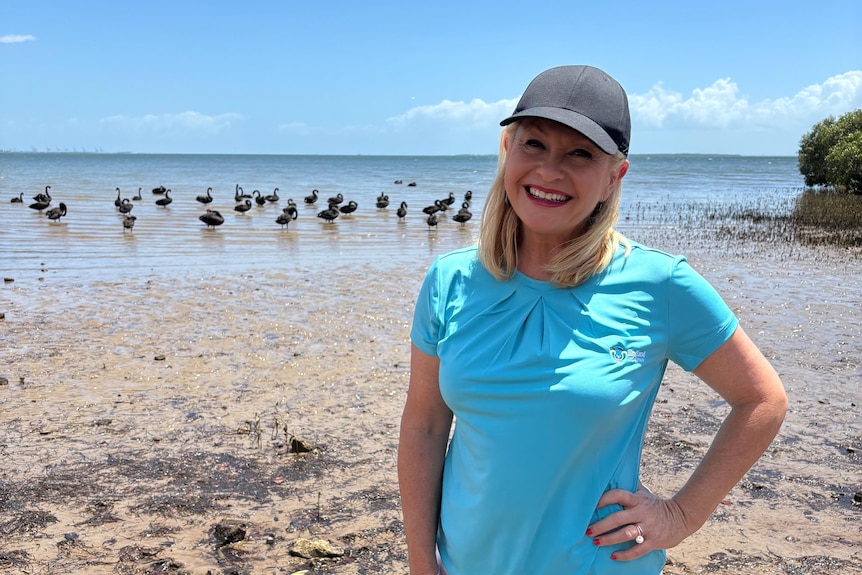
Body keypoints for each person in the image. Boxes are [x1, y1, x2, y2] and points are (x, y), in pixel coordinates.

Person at [397, 65, 787, 575]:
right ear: (506, 151)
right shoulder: (449, 279)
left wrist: (683, 513)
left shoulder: (660, 283)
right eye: (534, 144)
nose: (550, 171)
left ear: (613, 177)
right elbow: (425, 426)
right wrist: (421, 559)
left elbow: (762, 399)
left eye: (580, 154)